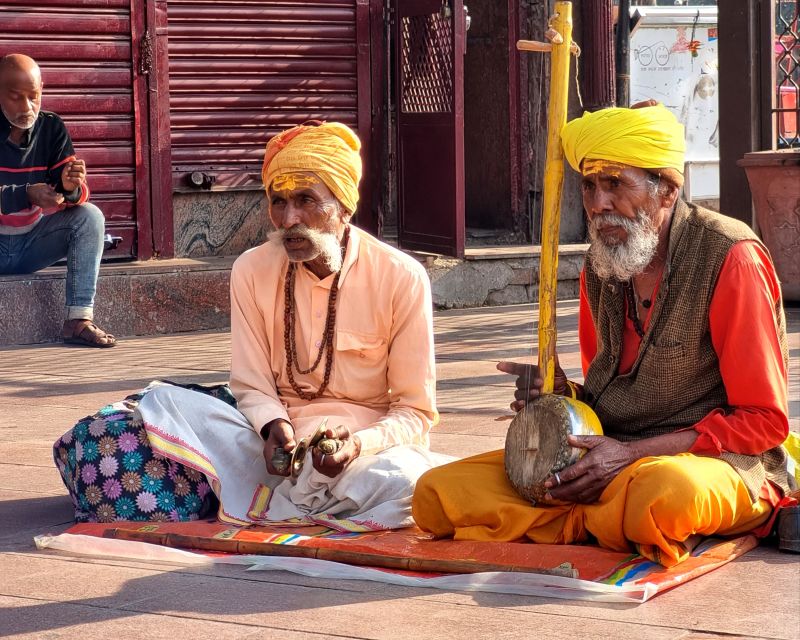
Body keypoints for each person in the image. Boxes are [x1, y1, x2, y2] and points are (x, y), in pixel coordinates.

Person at [412, 102, 795, 567]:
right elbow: (602, 393)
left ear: (668, 190)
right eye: (590, 187)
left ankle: (582, 519)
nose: (598, 205)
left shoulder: (731, 258)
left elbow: (762, 421)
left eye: (615, 184)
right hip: (602, 455)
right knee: (436, 494)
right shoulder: (606, 261)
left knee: (662, 496)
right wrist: (560, 394)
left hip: (706, 460)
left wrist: (631, 455)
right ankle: (602, 522)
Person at [54, 121, 443, 528]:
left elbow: (415, 412)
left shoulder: (401, 276)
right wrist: (273, 425)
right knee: (167, 403)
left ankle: (277, 496)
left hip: (364, 452)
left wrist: (359, 445)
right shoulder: (251, 269)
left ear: (344, 207)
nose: (289, 219)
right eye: (278, 201)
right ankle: (296, 496)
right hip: (270, 449)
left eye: (306, 200)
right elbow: (251, 384)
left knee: (406, 482)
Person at [0, 53, 115, 347]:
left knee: (90, 217)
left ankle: (78, 320)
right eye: (15, 97)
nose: (27, 107)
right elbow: (28, 193)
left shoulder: (51, 128)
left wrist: (69, 187)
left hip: (31, 244)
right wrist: (26, 194)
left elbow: (75, 195)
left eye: (34, 96)